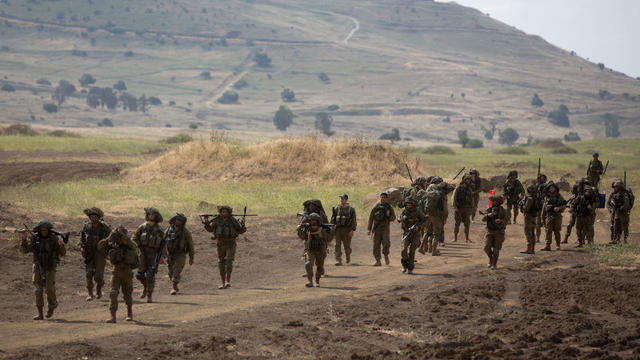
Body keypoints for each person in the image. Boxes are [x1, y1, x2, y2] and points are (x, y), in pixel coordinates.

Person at [19, 220, 66, 320]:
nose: (43, 231)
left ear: (48, 230)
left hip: (50, 266)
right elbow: (25, 250)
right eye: (42, 229)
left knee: (49, 289)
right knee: (38, 290)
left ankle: (52, 305)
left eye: (45, 229)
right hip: (38, 266)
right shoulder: (35, 238)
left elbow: (62, 253)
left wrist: (61, 244)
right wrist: (24, 239)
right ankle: (40, 313)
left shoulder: (53, 239)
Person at [98, 226, 138, 323]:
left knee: (127, 294)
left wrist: (124, 239)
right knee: (113, 293)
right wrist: (110, 237)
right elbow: (100, 246)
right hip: (116, 271)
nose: (119, 238)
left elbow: (134, 246)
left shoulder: (129, 243)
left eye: (121, 236)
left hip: (127, 271)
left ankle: (129, 312)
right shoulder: (112, 244)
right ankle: (113, 316)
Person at [203, 205, 246, 289]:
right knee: (221, 262)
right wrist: (206, 220)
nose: (224, 213)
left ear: (229, 213)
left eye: (226, 212)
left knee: (229, 261)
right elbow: (210, 229)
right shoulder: (217, 221)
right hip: (221, 243)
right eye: (222, 212)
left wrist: (243, 224)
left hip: (231, 243)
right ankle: (223, 282)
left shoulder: (233, 221)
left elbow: (240, 231)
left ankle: (227, 281)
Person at [132, 207, 165, 303]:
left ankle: (149, 294)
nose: (151, 216)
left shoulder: (159, 229)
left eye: (153, 215)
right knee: (139, 275)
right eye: (149, 214)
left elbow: (164, 244)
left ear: (156, 216)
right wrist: (137, 248)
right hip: (142, 253)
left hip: (154, 254)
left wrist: (162, 256)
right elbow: (134, 238)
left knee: (151, 275)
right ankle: (145, 287)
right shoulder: (142, 227)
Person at [80, 207, 112, 301]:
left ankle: (99, 288)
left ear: (98, 217)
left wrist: (108, 251)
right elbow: (82, 238)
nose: (93, 219)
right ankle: (90, 294)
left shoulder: (104, 227)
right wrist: (82, 247)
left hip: (100, 253)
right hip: (89, 252)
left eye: (95, 217)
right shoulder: (86, 226)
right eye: (91, 217)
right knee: (89, 273)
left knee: (98, 276)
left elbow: (110, 238)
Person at [297, 213, 330, 287]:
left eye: (314, 220)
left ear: (318, 221)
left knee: (320, 268)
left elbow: (327, 239)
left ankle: (317, 281)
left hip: (320, 250)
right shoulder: (307, 229)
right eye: (311, 220)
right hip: (310, 249)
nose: (312, 222)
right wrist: (299, 229)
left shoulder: (322, 229)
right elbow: (302, 237)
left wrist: (332, 230)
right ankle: (310, 282)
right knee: (308, 264)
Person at [165, 213, 194, 295]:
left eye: (180, 221)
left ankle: (173, 287)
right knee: (170, 271)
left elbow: (190, 245)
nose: (178, 222)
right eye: (177, 220)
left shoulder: (185, 232)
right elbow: (163, 241)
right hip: (170, 253)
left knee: (177, 270)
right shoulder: (169, 230)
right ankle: (175, 285)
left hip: (180, 254)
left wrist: (191, 257)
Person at [419, 181, 449, 256]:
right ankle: (433, 250)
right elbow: (445, 209)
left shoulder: (427, 195)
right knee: (436, 234)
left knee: (427, 232)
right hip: (437, 217)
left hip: (428, 215)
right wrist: (445, 218)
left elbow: (422, 206)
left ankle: (421, 248)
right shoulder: (440, 195)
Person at [398, 198, 426, 274]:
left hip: (415, 234)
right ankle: (404, 265)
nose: (408, 205)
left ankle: (410, 268)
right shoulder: (404, 211)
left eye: (410, 203)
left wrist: (419, 227)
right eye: (407, 203)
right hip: (406, 233)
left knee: (412, 251)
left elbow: (424, 220)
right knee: (403, 250)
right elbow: (401, 217)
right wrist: (399, 219)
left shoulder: (417, 211)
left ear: (413, 204)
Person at [367, 192, 396, 266]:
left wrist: (388, 216)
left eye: (384, 197)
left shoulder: (389, 207)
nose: (382, 199)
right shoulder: (375, 207)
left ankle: (386, 255)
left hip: (385, 228)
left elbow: (393, 218)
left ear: (386, 198)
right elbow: (371, 218)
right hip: (377, 229)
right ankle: (378, 260)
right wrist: (369, 229)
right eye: (381, 197)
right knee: (376, 245)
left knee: (386, 243)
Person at [482, 195, 509, 270]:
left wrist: (501, 221)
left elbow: (507, 221)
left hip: (499, 232)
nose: (494, 202)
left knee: (496, 249)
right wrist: (487, 215)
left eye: (496, 201)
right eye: (493, 201)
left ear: (499, 202)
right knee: (486, 247)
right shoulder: (489, 209)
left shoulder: (503, 211)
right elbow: (483, 219)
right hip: (489, 231)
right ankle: (491, 259)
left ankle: (494, 263)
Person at [330, 194, 357, 266]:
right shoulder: (337, 208)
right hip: (338, 229)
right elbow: (333, 218)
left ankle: (348, 256)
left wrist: (352, 230)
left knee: (347, 246)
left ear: (346, 200)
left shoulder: (351, 209)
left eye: (343, 199)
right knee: (337, 245)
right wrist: (332, 226)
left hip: (347, 229)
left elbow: (354, 220)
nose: (341, 200)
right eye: (341, 199)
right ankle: (338, 260)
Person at [564, 178, 591, 244]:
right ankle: (566, 238)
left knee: (584, 226)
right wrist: (572, 208)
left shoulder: (589, 190)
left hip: (584, 211)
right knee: (570, 224)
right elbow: (573, 199)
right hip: (576, 210)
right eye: (583, 184)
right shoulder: (577, 189)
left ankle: (582, 240)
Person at [541, 182, 566, 251]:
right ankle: (547, 245)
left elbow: (564, 206)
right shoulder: (547, 197)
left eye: (553, 188)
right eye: (550, 188)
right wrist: (542, 218)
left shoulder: (559, 196)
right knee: (548, 231)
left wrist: (559, 208)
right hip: (548, 216)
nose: (551, 189)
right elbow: (544, 208)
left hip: (557, 216)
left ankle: (558, 245)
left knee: (557, 231)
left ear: (555, 188)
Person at [453, 174, 474, 243]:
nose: (468, 181)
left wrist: (471, 209)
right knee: (457, 223)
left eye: (469, 180)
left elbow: (471, 199)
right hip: (459, 208)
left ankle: (467, 238)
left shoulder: (469, 189)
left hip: (467, 208)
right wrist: (455, 206)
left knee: (467, 224)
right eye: (467, 179)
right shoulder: (459, 188)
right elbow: (454, 198)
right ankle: (455, 238)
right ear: (464, 180)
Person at [521, 184, 541, 254]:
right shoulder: (536, 197)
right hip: (534, 216)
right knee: (532, 232)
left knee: (528, 232)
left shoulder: (529, 198)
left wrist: (522, 206)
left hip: (528, 216)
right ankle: (532, 249)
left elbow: (526, 208)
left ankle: (529, 249)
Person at [535, 174, 548, 243]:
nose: (542, 179)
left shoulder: (547, 187)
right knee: (538, 224)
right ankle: (537, 237)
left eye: (543, 178)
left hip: (546, 208)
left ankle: (547, 238)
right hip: (539, 208)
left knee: (547, 224)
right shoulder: (536, 186)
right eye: (541, 178)